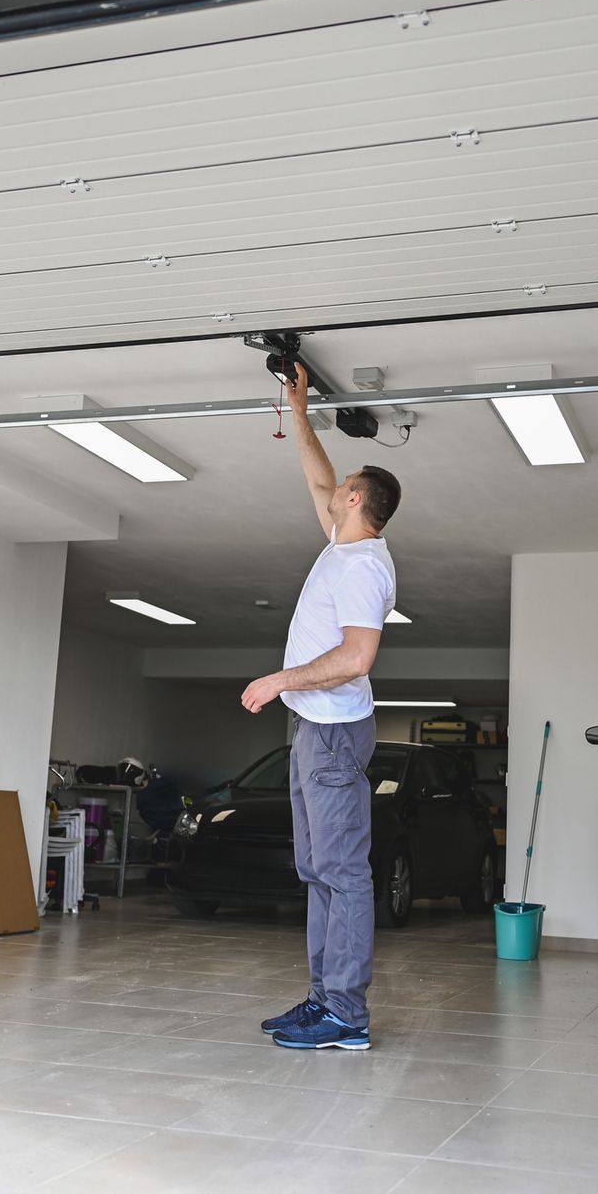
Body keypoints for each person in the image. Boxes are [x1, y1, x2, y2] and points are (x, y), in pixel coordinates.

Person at [239, 360, 400, 1051]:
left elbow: (358, 658)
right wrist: (299, 410)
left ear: (356, 500)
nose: (332, 492)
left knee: (342, 872)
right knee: (317, 871)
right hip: (316, 728)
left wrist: (282, 679)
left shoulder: (363, 567)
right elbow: (315, 476)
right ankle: (322, 1001)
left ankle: (347, 1015)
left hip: (334, 732)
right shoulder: (341, 543)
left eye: (344, 488)